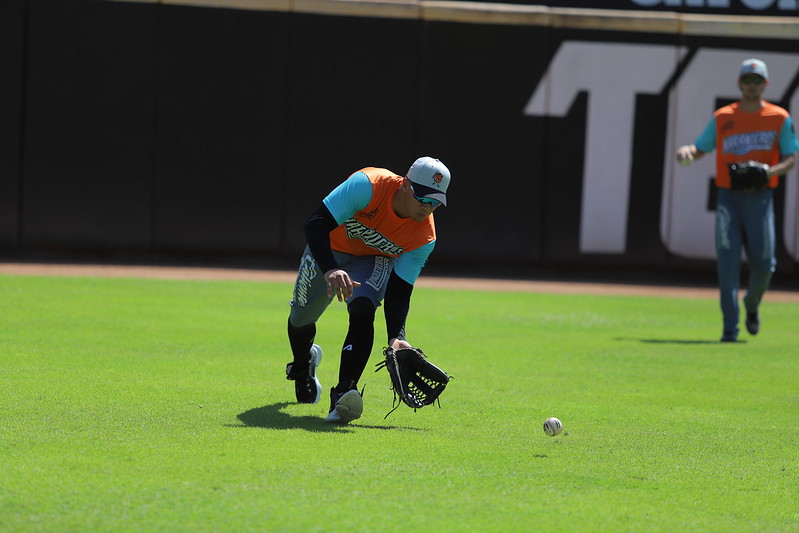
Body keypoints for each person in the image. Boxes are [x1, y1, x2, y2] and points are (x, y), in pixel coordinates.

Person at [284, 156, 451, 423]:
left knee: (363, 308)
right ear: (406, 185)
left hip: (371, 258)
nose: (427, 208)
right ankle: (302, 367)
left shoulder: (423, 237)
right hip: (327, 250)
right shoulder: (369, 185)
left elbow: (399, 290)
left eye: (435, 203)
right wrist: (329, 268)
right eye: (423, 198)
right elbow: (315, 223)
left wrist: (397, 336)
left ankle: (344, 393)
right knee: (301, 317)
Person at [676, 58, 798, 342]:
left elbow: (790, 158)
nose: (752, 85)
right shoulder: (723, 117)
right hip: (728, 198)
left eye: (757, 81)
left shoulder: (779, 117)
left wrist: (770, 171)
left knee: (765, 264)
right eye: (748, 80)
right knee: (727, 263)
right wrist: (687, 151)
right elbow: (701, 148)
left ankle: (752, 304)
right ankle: (730, 327)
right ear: (739, 83)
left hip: (760, 197)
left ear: (765, 85)